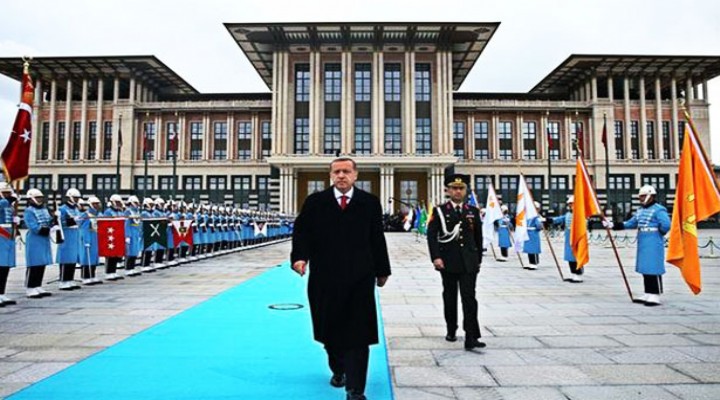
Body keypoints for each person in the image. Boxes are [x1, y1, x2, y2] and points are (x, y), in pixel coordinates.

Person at [291, 157, 391, 400]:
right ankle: (338, 368)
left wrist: (382, 270)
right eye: (336, 172)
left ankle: (355, 390)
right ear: (330, 176)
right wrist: (300, 258)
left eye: (346, 171)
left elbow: (376, 237)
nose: (341, 176)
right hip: (325, 278)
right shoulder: (316, 202)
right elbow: (302, 233)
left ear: (356, 175)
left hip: (360, 278)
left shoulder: (369, 202)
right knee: (330, 331)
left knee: (358, 333)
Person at [426, 173, 486, 351]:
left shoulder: (473, 211)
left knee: (469, 298)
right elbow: (432, 236)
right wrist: (436, 257)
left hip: (469, 262)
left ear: (465, 191)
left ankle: (471, 335)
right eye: (454, 188)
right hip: (448, 261)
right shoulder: (439, 211)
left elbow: (478, 237)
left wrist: (478, 260)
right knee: (450, 297)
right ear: (448, 190)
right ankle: (451, 329)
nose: (457, 191)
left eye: (461, 188)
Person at [604, 184, 670, 306]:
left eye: (643, 196)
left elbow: (666, 224)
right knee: (645, 267)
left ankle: (655, 295)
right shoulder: (640, 211)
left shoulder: (659, 209)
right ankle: (648, 292)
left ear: (650, 196)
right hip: (643, 240)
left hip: (653, 240)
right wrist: (613, 225)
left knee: (653, 267)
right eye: (640, 196)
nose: (640, 198)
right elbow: (630, 223)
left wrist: (658, 233)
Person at [23, 188, 56, 298]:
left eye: (41, 197)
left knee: (42, 263)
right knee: (34, 263)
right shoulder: (29, 211)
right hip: (35, 238)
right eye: (37, 198)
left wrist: (55, 219)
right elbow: (33, 226)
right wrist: (46, 230)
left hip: (44, 239)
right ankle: (30, 287)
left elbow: (48, 221)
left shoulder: (45, 209)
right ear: (31, 199)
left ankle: (37, 285)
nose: (40, 200)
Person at [551, 196, 583, 283]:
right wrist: (548, 220)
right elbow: (560, 219)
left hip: (577, 237)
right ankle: (573, 274)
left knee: (576, 257)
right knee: (570, 257)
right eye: (570, 204)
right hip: (568, 238)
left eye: (572, 204)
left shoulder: (580, 213)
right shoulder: (568, 214)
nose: (571, 206)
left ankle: (578, 275)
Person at [56, 188, 82, 290]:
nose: (76, 199)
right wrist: (71, 221)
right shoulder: (62, 209)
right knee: (65, 257)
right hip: (66, 234)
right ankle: (63, 281)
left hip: (75, 234)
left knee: (73, 258)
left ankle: (70, 279)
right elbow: (60, 223)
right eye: (75, 197)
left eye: (77, 198)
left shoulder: (76, 208)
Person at [0, 183, 19, 305]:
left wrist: (15, 221)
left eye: (8, 193)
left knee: (5, 267)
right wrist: (8, 201)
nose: (7, 195)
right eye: (4, 192)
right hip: (1, 234)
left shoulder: (9, 205)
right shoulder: (4, 203)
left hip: (8, 235)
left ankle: (2, 293)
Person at [523, 201, 544, 270]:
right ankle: (531, 262)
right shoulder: (528, 216)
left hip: (533, 234)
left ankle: (534, 263)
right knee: (529, 249)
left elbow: (539, 226)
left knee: (533, 249)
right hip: (528, 233)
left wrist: (540, 226)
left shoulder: (536, 217)